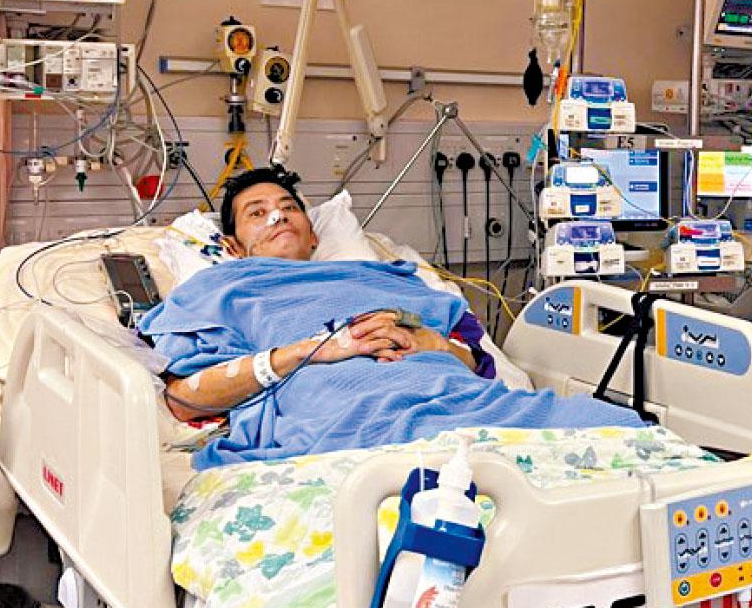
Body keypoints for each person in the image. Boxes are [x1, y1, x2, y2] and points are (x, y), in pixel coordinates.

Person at [141, 168, 644, 471]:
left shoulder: (392, 278)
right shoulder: (223, 289)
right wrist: (308, 351)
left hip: (474, 408)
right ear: (232, 245)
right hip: (347, 421)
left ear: (314, 235)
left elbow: (482, 365)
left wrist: (435, 344)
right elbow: (185, 399)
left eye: (289, 207)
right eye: (257, 212)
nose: (278, 216)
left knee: (625, 433)